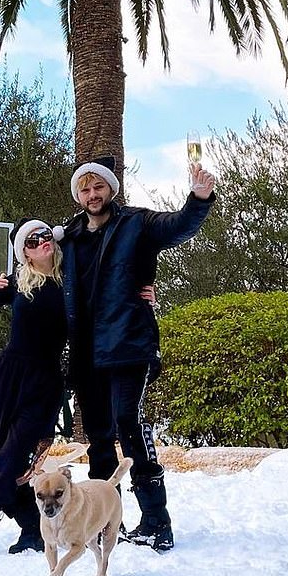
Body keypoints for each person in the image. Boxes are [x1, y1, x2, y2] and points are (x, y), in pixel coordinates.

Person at [57, 155, 216, 553]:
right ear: (78, 194)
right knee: (98, 437)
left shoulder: (137, 224)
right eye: (85, 188)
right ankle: (100, 520)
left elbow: (179, 227)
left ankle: (156, 521)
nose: (92, 195)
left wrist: (198, 199)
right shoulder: (70, 237)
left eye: (98, 187)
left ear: (111, 188)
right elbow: (35, 259)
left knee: (128, 423)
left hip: (129, 345)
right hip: (87, 354)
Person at [0, 218, 66, 555]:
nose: (41, 242)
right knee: (9, 460)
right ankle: (31, 529)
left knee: (18, 458)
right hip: (7, 377)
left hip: (46, 380)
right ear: (24, 252)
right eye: (32, 241)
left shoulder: (74, 278)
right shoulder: (19, 280)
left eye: (45, 235)